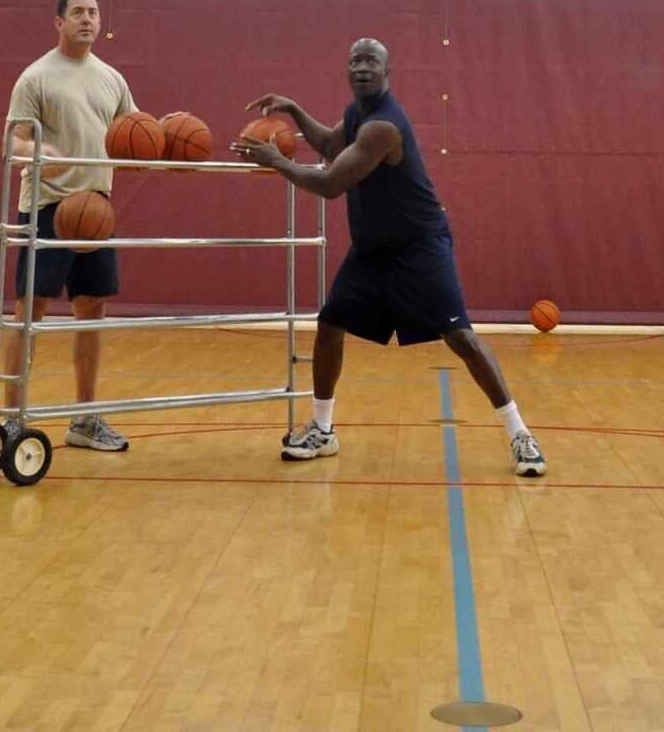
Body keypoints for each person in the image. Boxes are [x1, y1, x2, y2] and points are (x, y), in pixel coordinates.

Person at [234, 35, 546, 477]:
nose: (362, 67)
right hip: (373, 251)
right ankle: (323, 428)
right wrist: (293, 108)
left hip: (419, 247)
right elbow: (327, 146)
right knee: (330, 323)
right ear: (348, 70)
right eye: (355, 60)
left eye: (372, 61)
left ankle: (520, 434)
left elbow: (330, 184)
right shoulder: (355, 113)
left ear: (386, 72)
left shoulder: (384, 125)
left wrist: (276, 161)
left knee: (461, 339)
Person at [1, 0, 138, 452]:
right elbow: (13, 142)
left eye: (93, 13)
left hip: (95, 208)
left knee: (92, 310)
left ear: (101, 23)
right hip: (47, 207)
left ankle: (84, 418)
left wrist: (166, 141)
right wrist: (38, 151)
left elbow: (132, 136)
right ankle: (12, 419)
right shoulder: (36, 77)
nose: (87, 19)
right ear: (58, 22)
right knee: (29, 312)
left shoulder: (113, 79)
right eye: (77, 12)